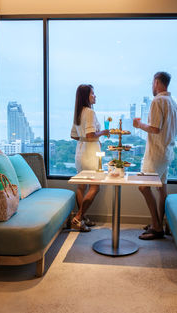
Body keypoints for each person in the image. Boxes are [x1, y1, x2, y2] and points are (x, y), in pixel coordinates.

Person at [133, 72, 177, 240]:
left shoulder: (158, 100)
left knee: (143, 187)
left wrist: (139, 124)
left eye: (152, 82)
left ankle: (157, 227)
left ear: (157, 82)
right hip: (167, 153)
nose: (152, 86)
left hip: (156, 153)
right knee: (162, 190)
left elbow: (155, 128)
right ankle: (160, 223)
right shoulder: (173, 103)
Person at [71, 84, 109, 232]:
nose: (95, 96)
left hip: (80, 152)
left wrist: (84, 140)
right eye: (92, 94)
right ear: (86, 96)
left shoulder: (78, 112)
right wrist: (104, 132)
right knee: (95, 187)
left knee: (82, 186)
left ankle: (83, 218)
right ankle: (79, 217)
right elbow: (90, 135)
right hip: (91, 153)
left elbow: (73, 135)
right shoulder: (90, 113)